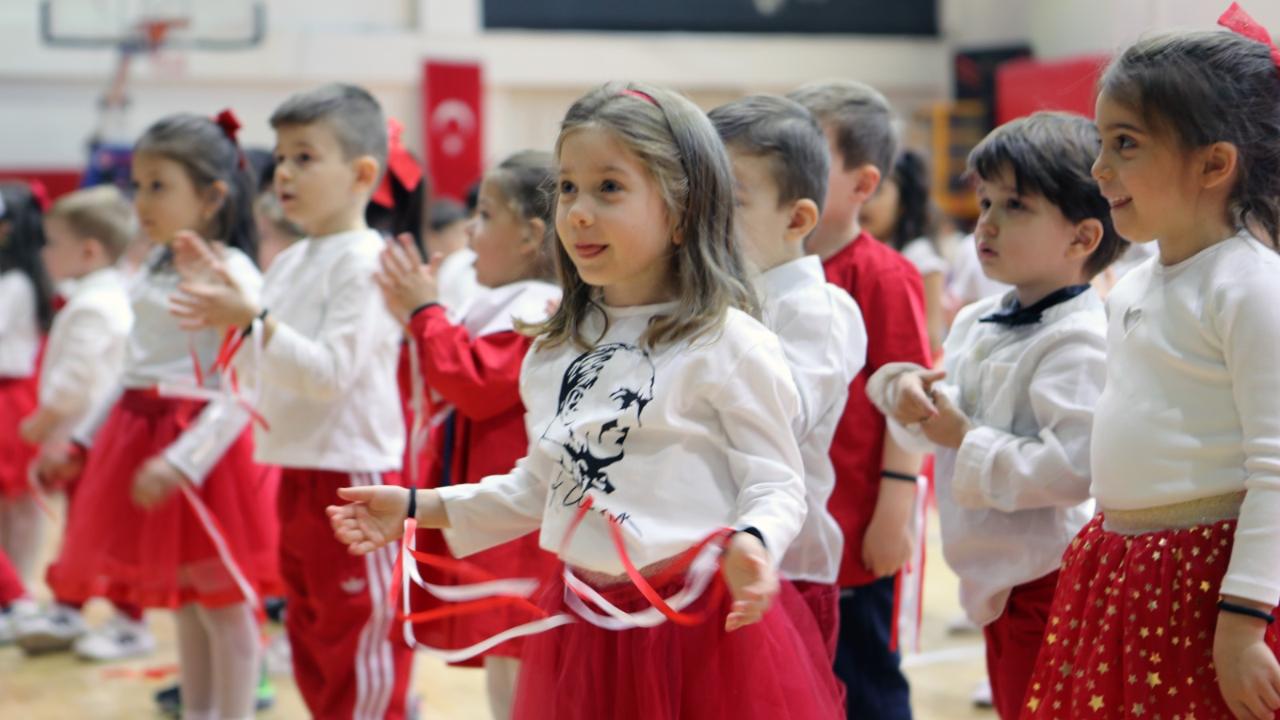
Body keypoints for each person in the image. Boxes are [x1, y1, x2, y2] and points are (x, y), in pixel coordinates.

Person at [329, 82, 844, 720]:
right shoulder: (553, 346)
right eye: (568, 188)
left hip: (695, 630)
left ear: (684, 209)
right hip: (580, 623)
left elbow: (776, 482)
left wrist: (756, 541)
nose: (577, 212)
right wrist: (418, 506)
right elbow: (543, 488)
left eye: (609, 188)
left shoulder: (731, 344)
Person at [1023, 6, 1280, 717]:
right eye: (1101, 142)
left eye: (1125, 143)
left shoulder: (1251, 285)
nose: (1099, 168)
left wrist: (1244, 618)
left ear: (1215, 163)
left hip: (1211, 578)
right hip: (1126, 566)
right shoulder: (1133, 280)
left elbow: (1278, 468)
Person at [867, 112, 1126, 719]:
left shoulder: (1080, 338)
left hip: (1049, 577)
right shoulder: (974, 321)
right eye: (985, 201)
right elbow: (943, 423)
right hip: (992, 576)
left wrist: (965, 435)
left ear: (1083, 238)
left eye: (1015, 206)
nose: (986, 222)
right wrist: (908, 394)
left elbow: (1070, 472)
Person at [169, 84, 414, 720]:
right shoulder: (292, 260)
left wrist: (250, 319)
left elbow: (328, 373)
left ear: (362, 173)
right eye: (281, 157)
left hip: (356, 479)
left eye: (305, 157)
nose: (283, 171)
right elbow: (258, 371)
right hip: (297, 472)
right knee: (311, 641)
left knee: (359, 642)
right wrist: (224, 301)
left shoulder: (366, 260)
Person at [42, 112, 277, 720]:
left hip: (203, 453)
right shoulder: (151, 264)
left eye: (158, 186)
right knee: (191, 604)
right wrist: (85, 441)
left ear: (211, 197)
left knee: (225, 605)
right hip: (138, 432)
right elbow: (131, 368)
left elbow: (244, 389)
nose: (140, 201)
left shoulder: (231, 274)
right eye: (138, 185)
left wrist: (181, 461)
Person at [377, 150, 562, 719]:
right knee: (503, 656)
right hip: (488, 500)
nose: (469, 233)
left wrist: (424, 313)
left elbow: (476, 381)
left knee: (523, 657)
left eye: (484, 216)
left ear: (532, 235)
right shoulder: (497, 302)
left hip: (517, 517)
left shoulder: (540, 307)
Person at [788, 80, 933, 719]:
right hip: (790, 528)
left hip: (856, 526)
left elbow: (908, 401)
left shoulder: (883, 275)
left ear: (863, 185)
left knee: (865, 683)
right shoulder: (768, 275)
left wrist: (893, 512)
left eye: (810, 158)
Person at [708, 94, 868, 661]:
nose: (704, 220)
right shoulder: (712, 301)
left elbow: (781, 419)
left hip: (785, 570)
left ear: (797, 218)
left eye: (729, 202)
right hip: (703, 562)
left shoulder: (820, 310)